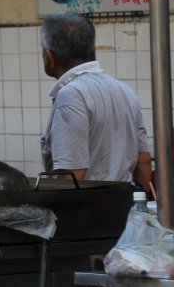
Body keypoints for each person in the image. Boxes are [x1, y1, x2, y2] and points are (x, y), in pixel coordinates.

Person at [40, 12, 152, 190]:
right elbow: (143, 159)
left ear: (49, 57)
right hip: (124, 205)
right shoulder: (125, 91)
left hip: (89, 211)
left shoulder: (71, 94)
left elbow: (72, 176)